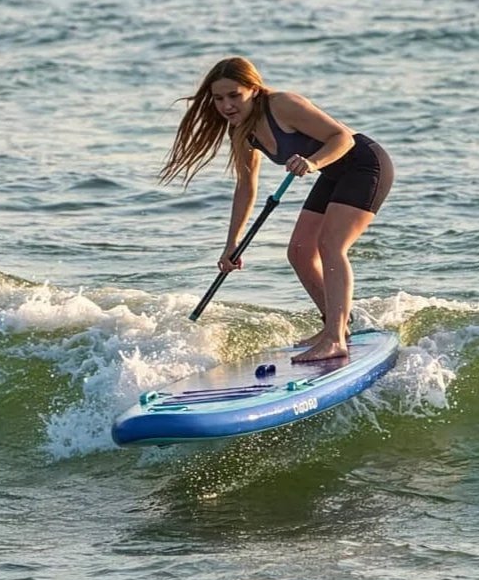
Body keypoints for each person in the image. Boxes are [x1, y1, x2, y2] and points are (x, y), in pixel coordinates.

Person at [160, 56, 394, 363]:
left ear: (253, 90)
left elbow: (343, 138)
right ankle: (336, 328)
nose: (226, 105)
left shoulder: (282, 105)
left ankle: (335, 339)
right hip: (334, 173)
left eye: (234, 95)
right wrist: (232, 244)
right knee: (298, 251)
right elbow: (246, 186)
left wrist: (312, 163)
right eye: (219, 98)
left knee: (330, 245)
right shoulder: (241, 131)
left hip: (365, 165)